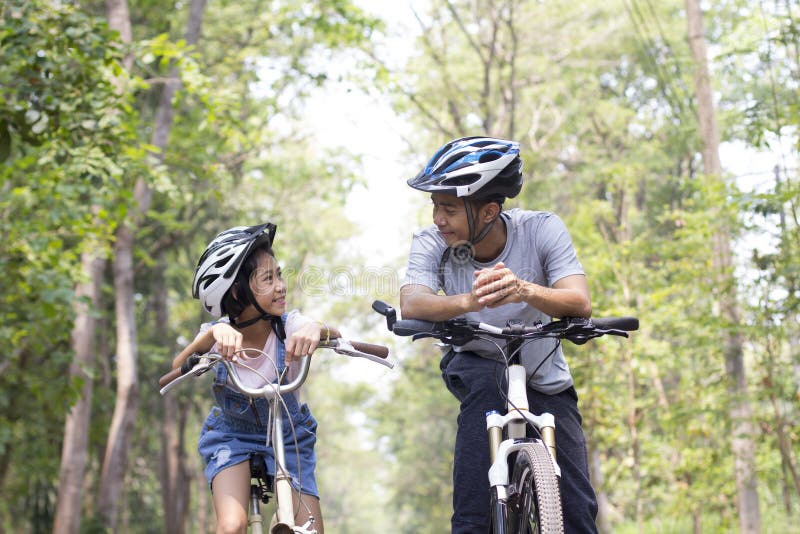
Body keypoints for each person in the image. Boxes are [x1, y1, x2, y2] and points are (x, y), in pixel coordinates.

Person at [400, 136, 597, 533]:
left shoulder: (541, 229)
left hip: (543, 369)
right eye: (436, 206)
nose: (438, 218)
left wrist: (523, 289)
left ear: (489, 211)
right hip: (478, 362)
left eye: (449, 209)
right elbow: (413, 302)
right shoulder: (431, 243)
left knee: (578, 510)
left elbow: (579, 301)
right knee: (473, 511)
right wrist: (469, 301)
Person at [171, 222, 338, 534]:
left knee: (309, 529)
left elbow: (324, 330)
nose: (281, 286)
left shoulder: (289, 325)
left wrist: (317, 330)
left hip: (288, 435)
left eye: (279, 275)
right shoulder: (218, 334)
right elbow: (179, 364)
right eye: (268, 278)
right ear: (238, 291)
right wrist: (210, 338)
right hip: (231, 436)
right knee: (232, 526)